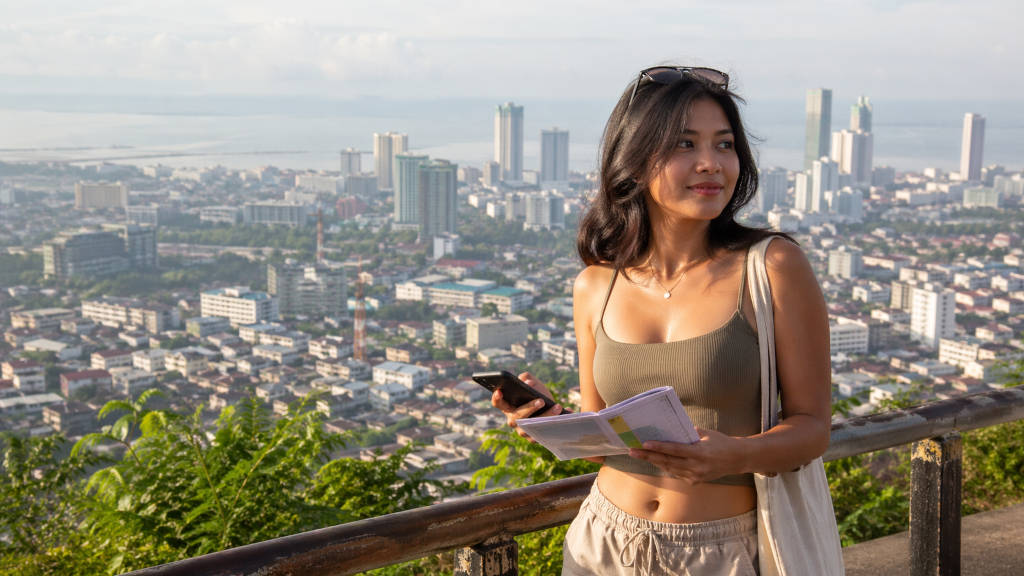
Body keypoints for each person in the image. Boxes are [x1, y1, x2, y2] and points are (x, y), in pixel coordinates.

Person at [492, 66, 831, 575]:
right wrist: (555, 424)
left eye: (724, 145)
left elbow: (813, 429)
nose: (710, 164)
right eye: (684, 145)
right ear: (635, 161)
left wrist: (735, 456)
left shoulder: (771, 267)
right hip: (604, 542)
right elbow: (610, 445)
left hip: (723, 551)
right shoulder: (595, 287)